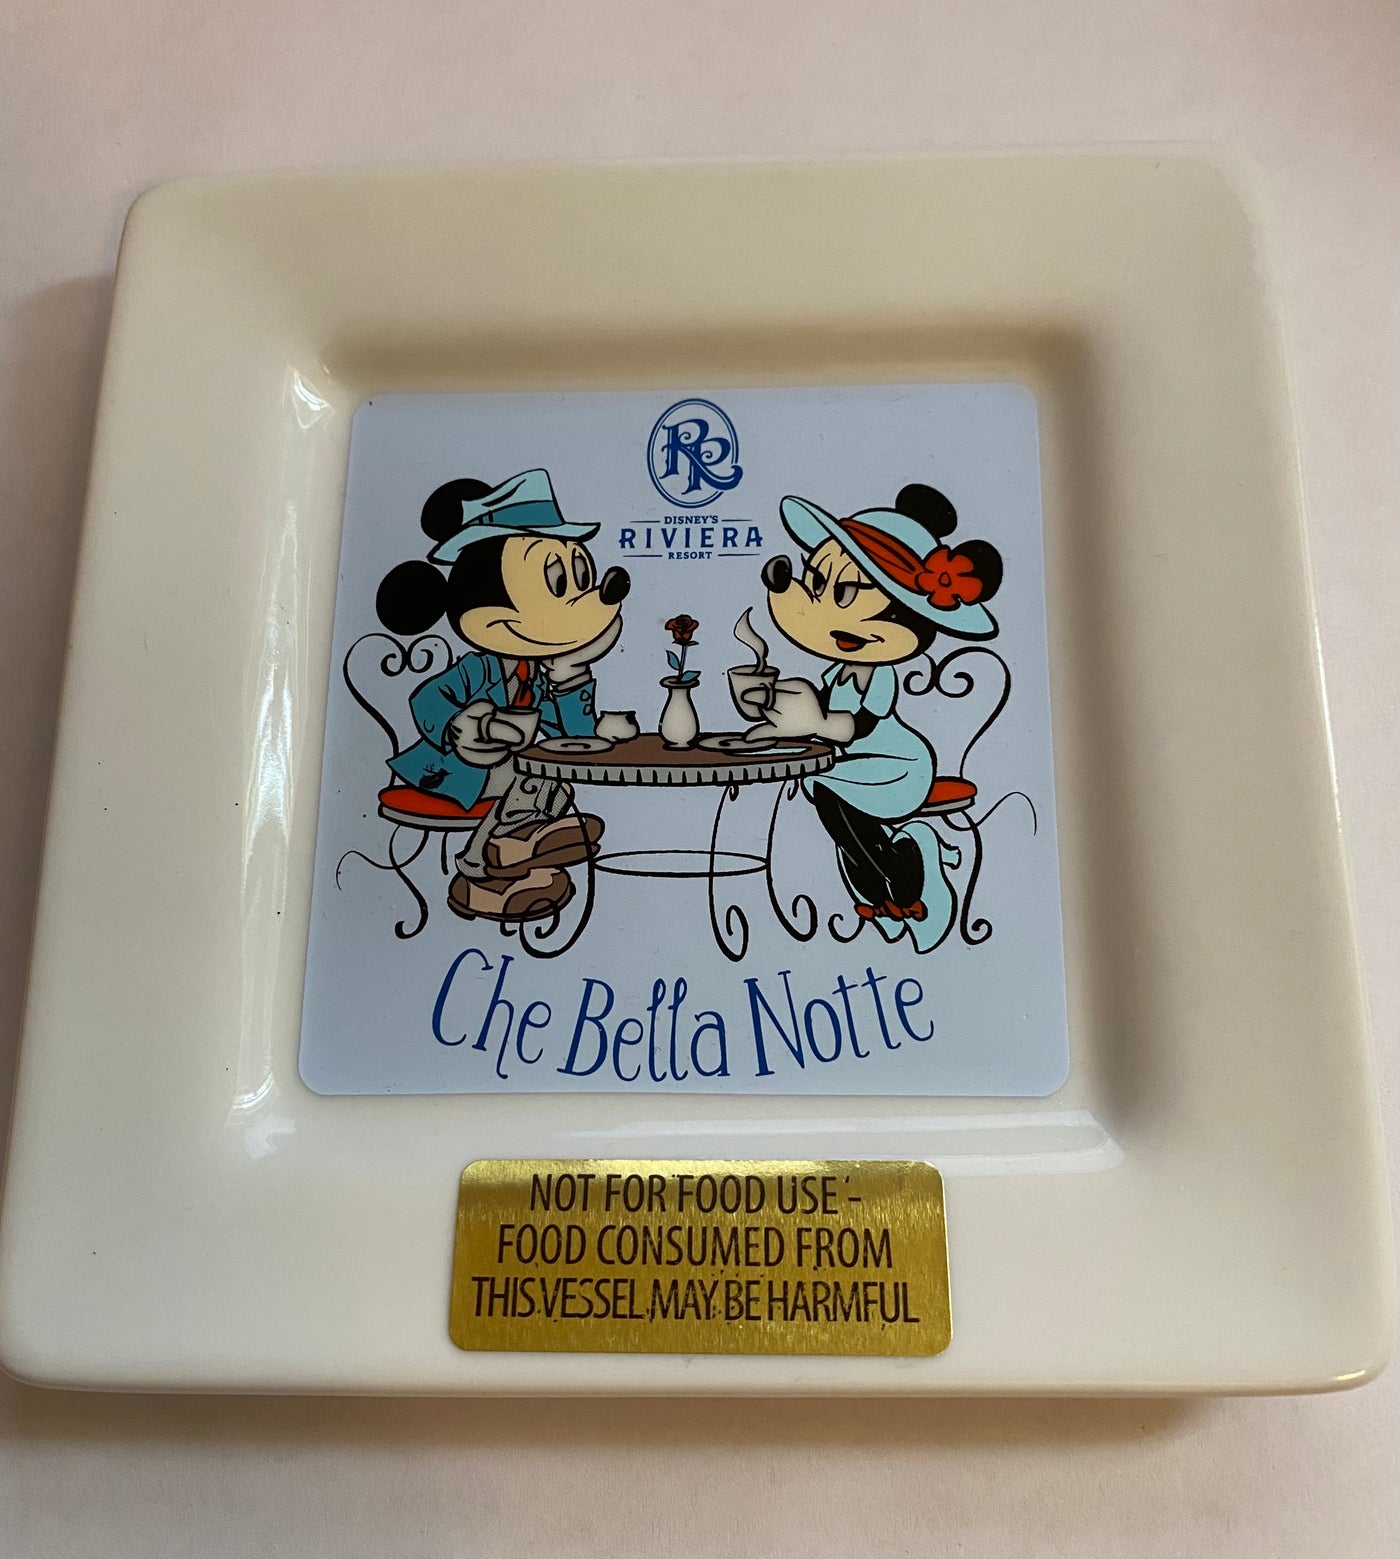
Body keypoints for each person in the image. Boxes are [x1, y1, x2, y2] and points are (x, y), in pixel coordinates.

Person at [748, 483, 1002, 952]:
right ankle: (883, 889)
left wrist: (814, 724)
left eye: (845, 591)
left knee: (827, 793)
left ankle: (907, 874)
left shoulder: (880, 674)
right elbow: (818, 712)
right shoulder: (836, 670)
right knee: (833, 803)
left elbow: (858, 725)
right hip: (851, 766)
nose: (816, 607)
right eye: (816, 584)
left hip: (895, 766)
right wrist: (774, 711)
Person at [375, 468, 628, 922]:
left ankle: (521, 866)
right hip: (453, 772)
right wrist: (470, 725)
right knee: (532, 775)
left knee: (549, 776)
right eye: (557, 583)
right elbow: (427, 702)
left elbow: (572, 737)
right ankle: (481, 866)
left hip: (513, 775)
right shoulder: (478, 667)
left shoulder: (543, 673)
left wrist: (571, 679)